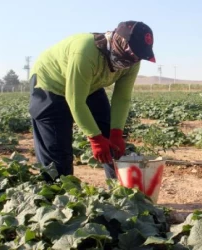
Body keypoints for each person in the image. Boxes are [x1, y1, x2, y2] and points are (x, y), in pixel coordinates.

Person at [29, 21, 155, 180]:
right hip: (50, 83)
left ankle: (120, 190)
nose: (133, 61)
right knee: (57, 152)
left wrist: (116, 133)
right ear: (119, 43)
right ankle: (56, 195)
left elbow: (122, 98)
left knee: (111, 140)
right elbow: (75, 99)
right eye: (131, 55)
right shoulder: (86, 52)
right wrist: (95, 138)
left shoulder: (133, 61)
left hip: (90, 86)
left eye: (137, 57)